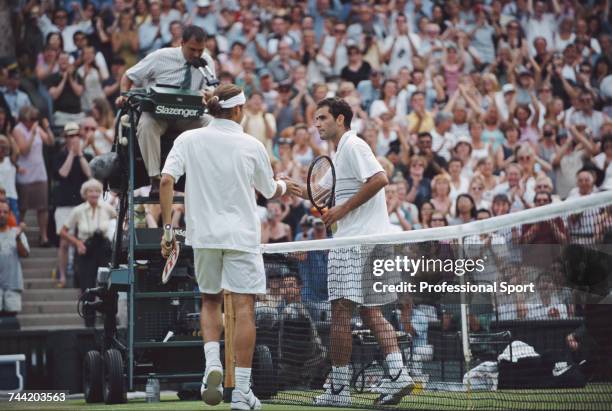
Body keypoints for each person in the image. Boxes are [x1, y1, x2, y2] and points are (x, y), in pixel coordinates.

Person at [159, 84, 301, 410]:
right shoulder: (252, 144)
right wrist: (286, 186)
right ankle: (241, 393)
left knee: (210, 301)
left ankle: (212, 364)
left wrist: (168, 230)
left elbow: (166, 180)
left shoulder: (188, 139)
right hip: (241, 238)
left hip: (204, 237)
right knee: (244, 309)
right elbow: (269, 189)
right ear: (238, 111)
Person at [294, 97, 414, 406]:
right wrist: (285, 185)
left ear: (341, 119)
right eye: (315, 118)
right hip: (372, 242)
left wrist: (342, 209)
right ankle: (399, 374)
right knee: (371, 312)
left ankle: (339, 389)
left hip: (356, 244)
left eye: (322, 118)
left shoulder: (353, 146)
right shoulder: (338, 156)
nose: (316, 124)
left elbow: (380, 179)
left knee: (340, 313)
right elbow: (316, 192)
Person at [117, 25, 216, 196]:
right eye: (192, 49)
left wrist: (208, 95)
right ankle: (155, 179)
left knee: (213, 124)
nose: (196, 54)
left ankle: (206, 176)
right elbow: (129, 76)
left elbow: (211, 90)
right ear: (182, 43)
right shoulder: (160, 56)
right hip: (158, 114)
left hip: (188, 115)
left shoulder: (206, 62)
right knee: (146, 123)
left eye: (200, 50)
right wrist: (124, 96)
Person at [60, 179, 116, 326]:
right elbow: (63, 231)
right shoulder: (78, 210)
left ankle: (108, 321)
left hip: (103, 247)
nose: (94, 194)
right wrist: (77, 243)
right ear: (85, 194)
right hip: (86, 248)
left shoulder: (106, 208)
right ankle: (89, 324)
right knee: (87, 285)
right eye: (91, 191)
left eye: (97, 191)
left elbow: (120, 220)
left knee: (108, 284)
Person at [53, 123, 92, 288]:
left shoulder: (86, 156)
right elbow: (62, 173)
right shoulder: (59, 155)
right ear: (65, 138)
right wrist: (71, 154)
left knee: (81, 241)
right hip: (64, 204)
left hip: (81, 204)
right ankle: (62, 275)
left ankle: (78, 275)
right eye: (70, 135)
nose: (73, 138)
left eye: (76, 135)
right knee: (64, 242)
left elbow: (90, 174)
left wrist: (80, 154)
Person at [0, 202, 29, 322]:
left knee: (11, 321)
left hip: (13, 283)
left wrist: (18, 238)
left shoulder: (17, 232)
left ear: (10, 214)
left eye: (5, 212)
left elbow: (25, 254)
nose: (1, 215)